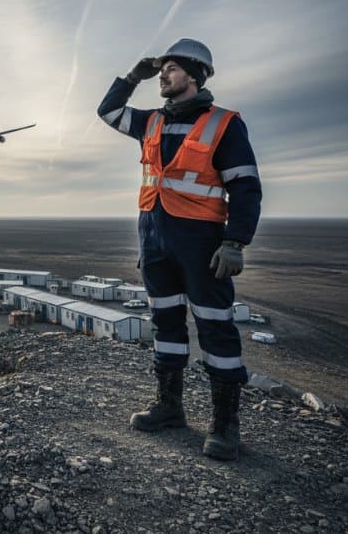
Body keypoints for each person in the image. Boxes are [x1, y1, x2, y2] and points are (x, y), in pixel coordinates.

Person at [96, 38, 262, 460]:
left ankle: (225, 425)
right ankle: (170, 407)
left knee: (214, 326)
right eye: (162, 69)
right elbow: (109, 112)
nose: (163, 76)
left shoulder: (223, 124)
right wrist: (133, 76)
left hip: (201, 244)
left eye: (171, 69)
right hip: (154, 240)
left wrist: (236, 242)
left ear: (194, 75)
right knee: (165, 322)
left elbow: (245, 186)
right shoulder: (151, 121)